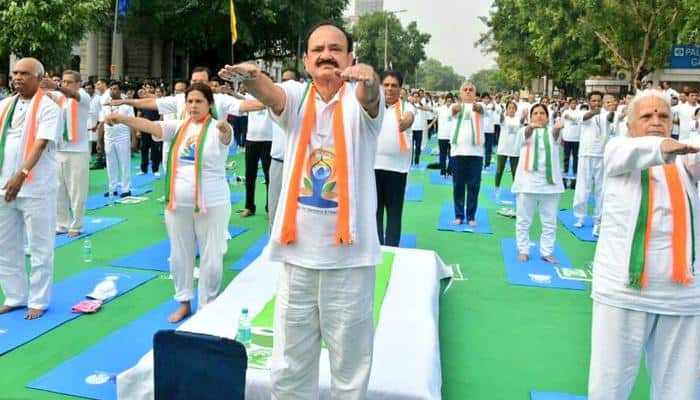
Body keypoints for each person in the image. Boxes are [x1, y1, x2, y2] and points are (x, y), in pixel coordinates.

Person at [219, 21, 383, 399]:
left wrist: (370, 80)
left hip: (350, 263)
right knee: (290, 367)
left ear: (350, 57)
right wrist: (251, 78)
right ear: (306, 61)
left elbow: (372, 97)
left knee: (350, 370)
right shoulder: (296, 96)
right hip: (298, 260)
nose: (327, 55)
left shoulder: (361, 105)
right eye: (318, 50)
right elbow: (272, 95)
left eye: (336, 49)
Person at [588, 90, 700, 400]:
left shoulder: (685, 160)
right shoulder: (618, 150)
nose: (656, 122)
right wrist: (664, 147)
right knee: (608, 387)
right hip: (623, 291)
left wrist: (680, 148)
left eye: (663, 116)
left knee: (679, 389)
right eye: (647, 116)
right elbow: (636, 153)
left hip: (681, 295)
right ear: (630, 123)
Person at [104, 83, 233, 323]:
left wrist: (225, 130)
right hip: (178, 204)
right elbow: (152, 126)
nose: (193, 106)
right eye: (190, 101)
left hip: (212, 204)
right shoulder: (179, 127)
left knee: (211, 258)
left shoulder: (218, 128)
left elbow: (226, 138)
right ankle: (183, 301)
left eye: (199, 101)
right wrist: (122, 118)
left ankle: (208, 306)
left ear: (210, 105)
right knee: (179, 255)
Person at [0, 58, 60, 320]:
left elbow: (41, 143)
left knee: (40, 246)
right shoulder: (5, 105)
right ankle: (14, 296)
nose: (18, 78)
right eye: (15, 73)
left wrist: (21, 175)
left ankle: (38, 299)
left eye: (24, 73)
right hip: (3, 187)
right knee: (5, 246)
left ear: (39, 77)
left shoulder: (48, 107)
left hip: (36, 188)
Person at [511, 104, 565, 263]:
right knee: (523, 220)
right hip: (527, 184)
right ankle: (523, 249)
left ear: (548, 117)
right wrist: (530, 126)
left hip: (550, 185)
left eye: (542, 113)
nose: (539, 116)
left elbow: (555, 135)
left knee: (549, 222)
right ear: (530, 116)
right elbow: (525, 134)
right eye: (535, 113)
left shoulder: (552, 132)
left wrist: (557, 128)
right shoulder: (524, 131)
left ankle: (546, 251)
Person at [42, 70, 91, 237]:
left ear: (79, 84)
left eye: (69, 82)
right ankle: (61, 224)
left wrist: (55, 86)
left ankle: (76, 225)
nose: (65, 85)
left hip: (78, 151)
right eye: (63, 81)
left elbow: (71, 94)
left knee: (77, 190)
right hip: (59, 149)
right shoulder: (60, 97)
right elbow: (46, 94)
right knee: (58, 190)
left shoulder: (83, 96)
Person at [375, 71, 414, 246]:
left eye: (394, 85)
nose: (390, 89)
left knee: (394, 213)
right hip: (372, 167)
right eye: (386, 85)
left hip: (397, 170)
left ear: (400, 89)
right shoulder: (372, 106)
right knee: (374, 213)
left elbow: (409, 119)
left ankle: (392, 249)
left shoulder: (407, 107)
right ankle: (375, 248)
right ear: (381, 87)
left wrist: (405, 121)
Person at [450, 82, 487, 227]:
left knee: (473, 186)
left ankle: (471, 216)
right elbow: (452, 111)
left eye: (471, 90)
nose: (468, 92)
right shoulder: (454, 107)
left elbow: (481, 109)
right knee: (458, 186)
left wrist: (476, 105)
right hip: (458, 152)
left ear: (475, 93)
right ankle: (459, 215)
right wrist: (455, 108)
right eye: (465, 90)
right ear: (460, 93)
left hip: (475, 153)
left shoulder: (480, 107)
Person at [268, 69, 301, 227]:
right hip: (278, 161)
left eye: (290, 80)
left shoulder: (301, 102)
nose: (286, 82)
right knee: (274, 207)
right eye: (284, 79)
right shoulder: (275, 101)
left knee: (298, 210)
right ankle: (273, 245)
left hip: (299, 164)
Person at [240, 72, 274, 218]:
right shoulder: (250, 97)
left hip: (269, 140)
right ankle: (249, 207)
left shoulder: (273, 97)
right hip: (251, 140)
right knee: (250, 175)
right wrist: (229, 92)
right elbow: (239, 99)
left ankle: (269, 207)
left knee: (269, 176)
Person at [572, 91, 605, 235]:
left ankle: (599, 220)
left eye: (599, 101)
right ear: (589, 101)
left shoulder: (606, 115)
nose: (596, 103)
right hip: (585, 154)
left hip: (602, 155)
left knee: (600, 189)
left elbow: (612, 118)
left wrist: (606, 112)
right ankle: (580, 217)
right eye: (594, 101)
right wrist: (594, 112)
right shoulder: (583, 113)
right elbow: (585, 117)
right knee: (583, 187)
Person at [98, 81, 136, 197]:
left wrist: (134, 140)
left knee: (124, 163)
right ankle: (112, 188)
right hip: (109, 138)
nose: (112, 91)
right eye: (111, 89)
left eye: (115, 89)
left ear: (120, 91)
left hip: (123, 137)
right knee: (110, 163)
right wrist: (99, 141)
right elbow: (101, 123)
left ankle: (126, 189)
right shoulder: (105, 105)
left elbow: (132, 123)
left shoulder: (127, 105)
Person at [494, 101, 522, 197]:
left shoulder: (518, 119)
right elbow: (501, 119)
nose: (511, 110)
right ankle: (497, 188)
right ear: (507, 109)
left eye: (513, 108)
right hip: (503, 148)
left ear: (516, 110)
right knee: (499, 170)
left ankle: (515, 189)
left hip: (515, 149)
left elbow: (522, 122)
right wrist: (502, 112)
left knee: (515, 171)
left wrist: (525, 116)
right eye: (509, 108)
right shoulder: (504, 119)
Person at [433, 94, 454, 177]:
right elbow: (430, 109)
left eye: (450, 101)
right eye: (447, 101)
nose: (449, 103)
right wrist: (418, 107)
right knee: (443, 155)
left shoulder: (455, 109)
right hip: (442, 136)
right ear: (445, 101)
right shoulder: (441, 109)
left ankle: (450, 171)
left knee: (452, 155)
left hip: (452, 136)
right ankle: (442, 171)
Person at [562, 98, 581, 189]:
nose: (573, 104)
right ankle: (564, 180)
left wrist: (577, 119)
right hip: (567, 138)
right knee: (566, 159)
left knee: (576, 160)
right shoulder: (565, 112)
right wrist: (577, 119)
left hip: (577, 139)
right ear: (569, 104)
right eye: (572, 103)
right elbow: (568, 117)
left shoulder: (579, 112)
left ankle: (575, 180)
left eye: (575, 103)